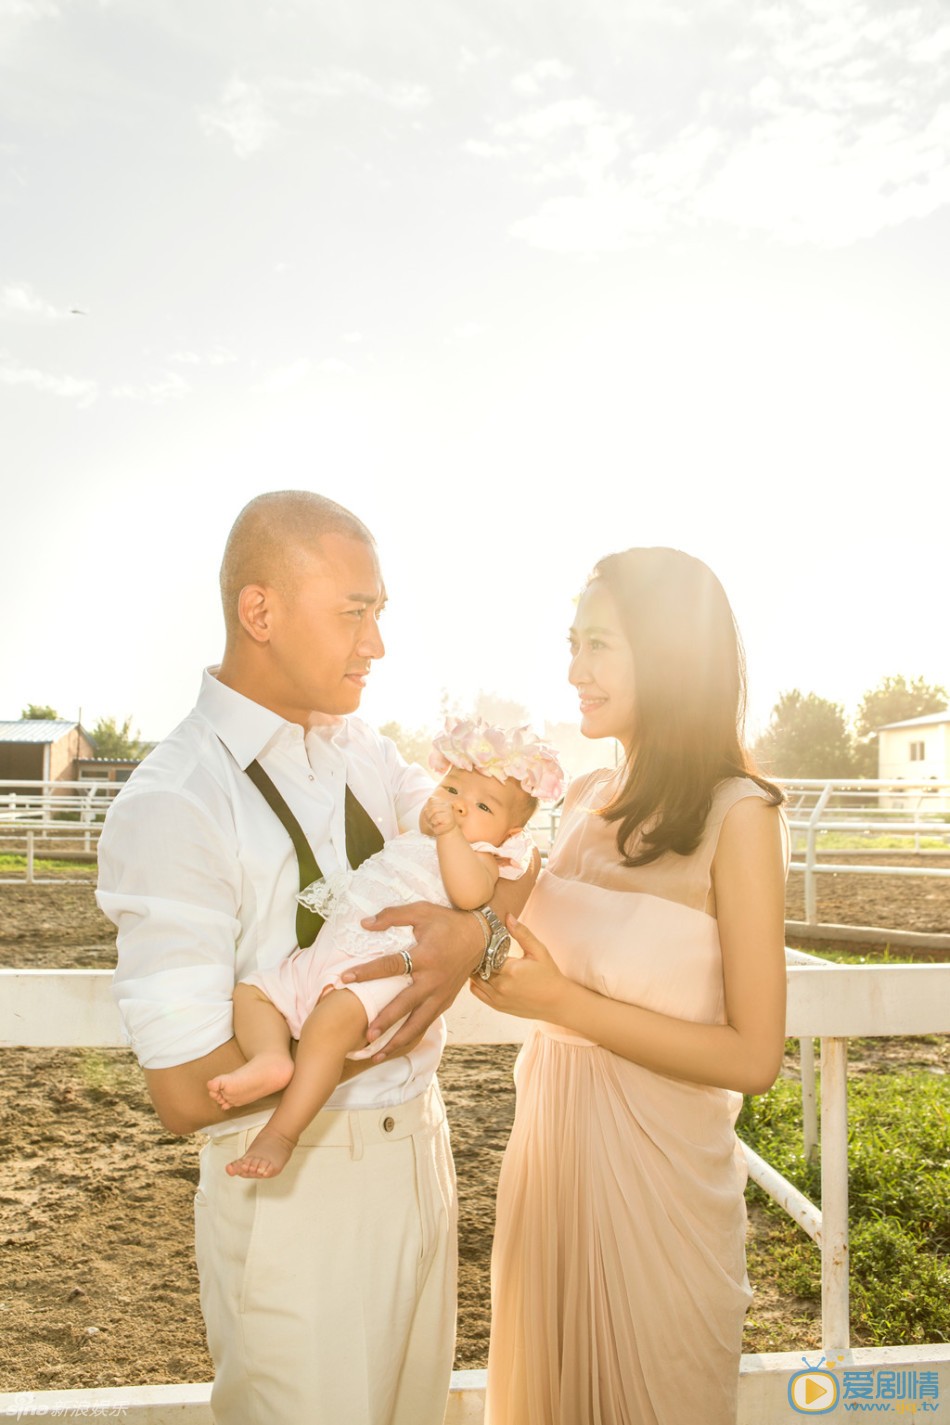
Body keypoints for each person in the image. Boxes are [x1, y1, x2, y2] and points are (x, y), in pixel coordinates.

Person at [95, 491, 538, 1425]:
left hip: (422, 1152)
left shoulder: (362, 748)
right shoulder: (175, 799)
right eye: (355, 613)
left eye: (380, 615)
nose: (376, 645)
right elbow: (182, 1092)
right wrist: (357, 1031)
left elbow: (498, 862)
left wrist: (470, 938)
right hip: (297, 1188)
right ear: (260, 612)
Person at [472, 546, 788, 1425]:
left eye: (599, 645)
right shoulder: (577, 800)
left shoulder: (741, 815)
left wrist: (563, 1004)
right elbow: (493, 942)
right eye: (572, 643)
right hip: (549, 1160)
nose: (574, 670)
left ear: (673, 654)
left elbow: (755, 1055)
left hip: (661, 1185)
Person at [208, 718, 565, 1179]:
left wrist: (452, 836)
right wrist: (438, 819)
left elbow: (470, 896)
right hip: (330, 953)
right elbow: (427, 808)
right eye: (451, 789)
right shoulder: (423, 829)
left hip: (382, 968)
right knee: (254, 992)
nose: (457, 807)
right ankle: (270, 1057)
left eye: (481, 806)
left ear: (509, 835)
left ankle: (282, 1132)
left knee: (326, 1029)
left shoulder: (482, 856)